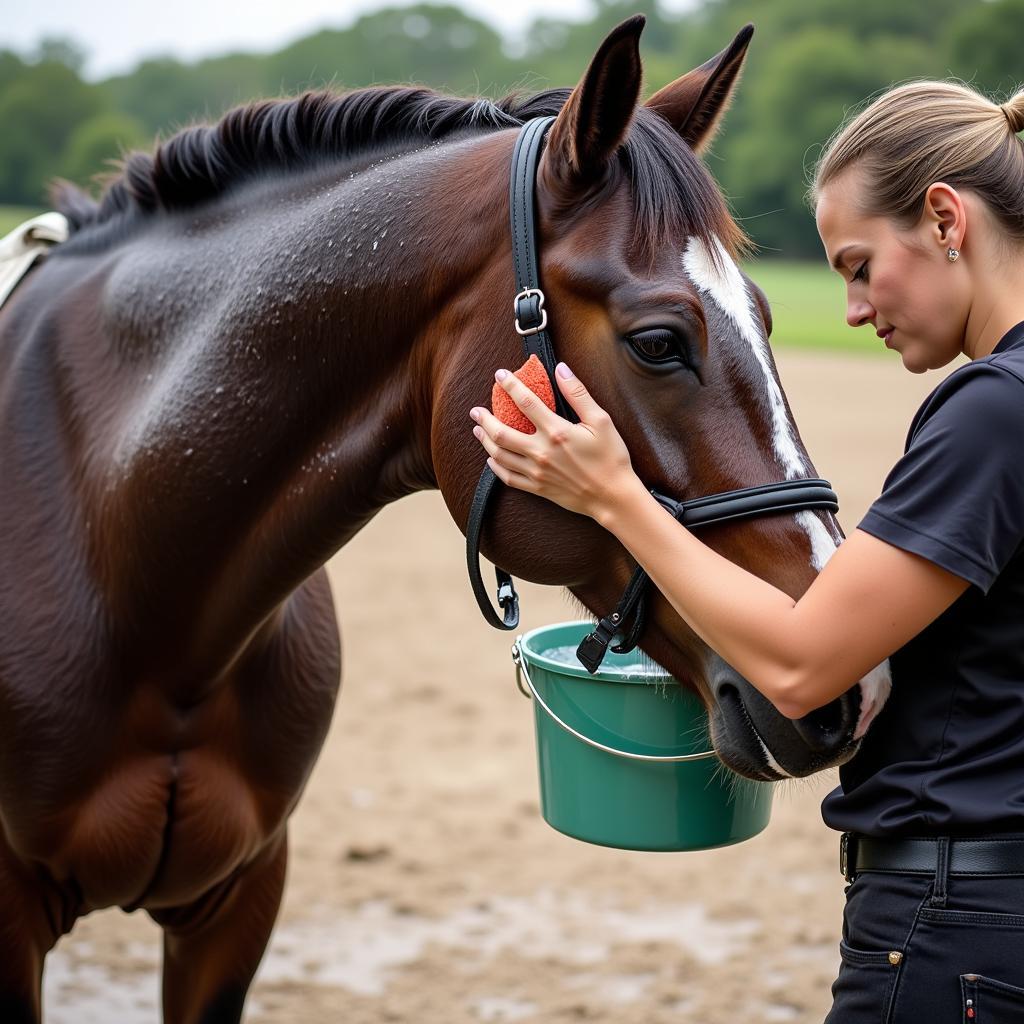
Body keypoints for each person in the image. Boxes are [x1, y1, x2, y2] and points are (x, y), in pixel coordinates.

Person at [468, 79, 1024, 1022]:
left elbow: (803, 664)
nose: (852, 308)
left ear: (942, 219)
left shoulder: (995, 415)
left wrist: (615, 498)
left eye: (857, 265)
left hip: (951, 927)